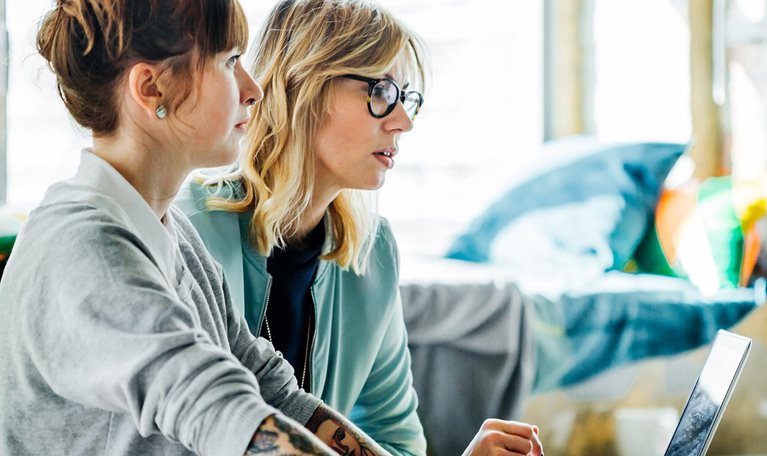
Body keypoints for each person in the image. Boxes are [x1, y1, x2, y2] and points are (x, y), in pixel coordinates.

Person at [0, 1, 432, 455]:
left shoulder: (175, 235)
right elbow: (222, 412)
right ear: (152, 89)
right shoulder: (83, 247)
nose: (254, 89)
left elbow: (274, 393)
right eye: (229, 62)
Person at [177, 1, 544, 455]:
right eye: (383, 93)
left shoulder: (373, 252)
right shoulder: (189, 227)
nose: (403, 121)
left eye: (406, 99)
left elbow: (397, 442)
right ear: (305, 85)